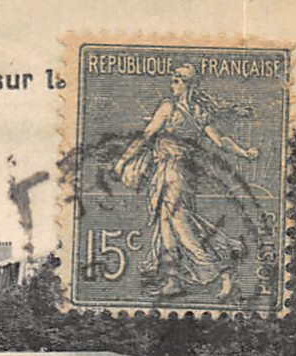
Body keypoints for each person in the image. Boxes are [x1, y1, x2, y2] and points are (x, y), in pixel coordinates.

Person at [111, 63, 259, 298]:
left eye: (178, 79)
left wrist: (122, 161)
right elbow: (221, 142)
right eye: (173, 78)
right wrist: (244, 152)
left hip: (174, 172)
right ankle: (173, 280)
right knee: (166, 224)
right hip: (173, 172)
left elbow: (147, 135)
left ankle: (223, 270)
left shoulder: (169, 108)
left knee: (181, 225)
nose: (173, 83)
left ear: (189, 84)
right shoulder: (199, 113)